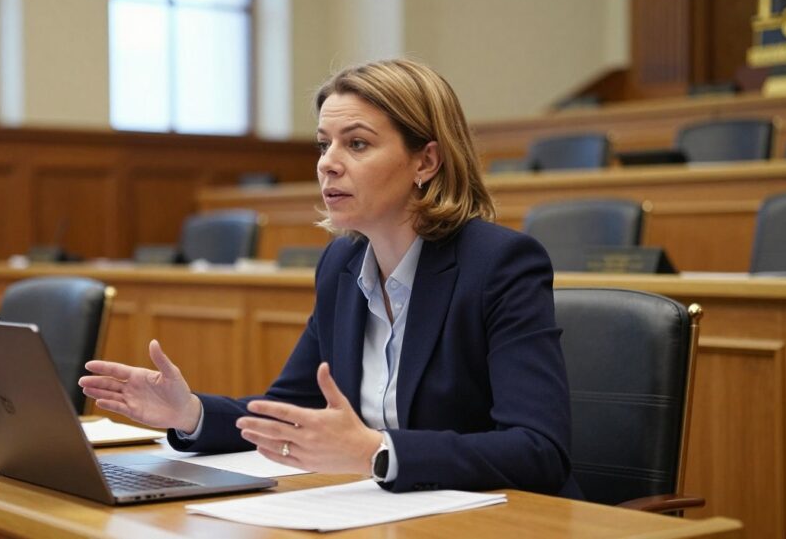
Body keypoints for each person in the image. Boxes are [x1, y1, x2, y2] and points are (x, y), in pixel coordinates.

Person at [79, 58, 580, 497]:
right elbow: (287, 409)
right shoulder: (341, 266)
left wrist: (378, 452)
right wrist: (188, 413)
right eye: (323, 145)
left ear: (425, 161)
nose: (327, 164)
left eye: (356, 144)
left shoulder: (500, 265)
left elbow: (537, 450)